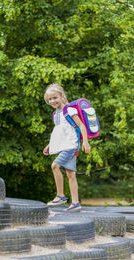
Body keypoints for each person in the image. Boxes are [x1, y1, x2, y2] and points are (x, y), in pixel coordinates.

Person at [43, 83, 91, 211]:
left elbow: (81, 126)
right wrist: (50, 145)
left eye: (55, 98)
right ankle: (75, 203)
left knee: (55, 166)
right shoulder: (55, 114)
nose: (52, 101)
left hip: (70, 145)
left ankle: (61, 196)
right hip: (64, 145)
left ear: (62, 96)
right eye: (50, 99)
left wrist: (85, 142)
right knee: (70, 174)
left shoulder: (69, 110)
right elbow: (60, 132)